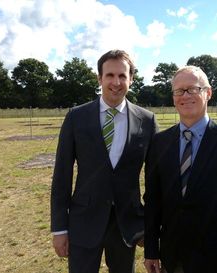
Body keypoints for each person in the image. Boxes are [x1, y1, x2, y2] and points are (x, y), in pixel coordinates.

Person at [51, 49, 158, 273]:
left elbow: (156, 179)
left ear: (131, 79)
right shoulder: (76, 117)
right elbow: (62, 175)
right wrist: (59, 228)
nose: (116, 82)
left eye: (122, 75)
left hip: (126, 225)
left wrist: (151, 226)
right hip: (84, 221)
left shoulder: (147, 120)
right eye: (110, 75)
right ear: (100, 78)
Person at [143, 66, 217, 273]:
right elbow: (153, 200)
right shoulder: (159, 143)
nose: (185, 96)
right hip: (172, 256)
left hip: (216, 259)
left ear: (208, 93)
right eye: (179, 91)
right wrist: (151, 249)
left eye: (192, 89)